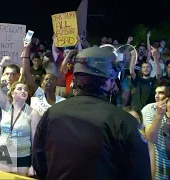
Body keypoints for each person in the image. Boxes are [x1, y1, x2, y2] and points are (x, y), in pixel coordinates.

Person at [32, 46, 151, 179]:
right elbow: (141, 173)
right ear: (108, 81)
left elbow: (39, 164)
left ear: (76, 79)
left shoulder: (51, 113)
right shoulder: (125, 122)